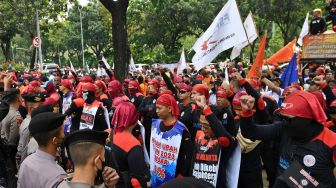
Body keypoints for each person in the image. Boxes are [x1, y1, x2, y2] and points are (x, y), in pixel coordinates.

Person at [239, 91, 336, 187]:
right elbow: (251, 132)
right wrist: (246, 112)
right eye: (282, 117)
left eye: (288, 119)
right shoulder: (283, 129)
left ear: (307, 119)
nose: (284, 122)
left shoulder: (331, 142)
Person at [190, 95, 235, 187]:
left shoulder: (225, 141)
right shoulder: (199, 136)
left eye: (206, 126)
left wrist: (206, 109)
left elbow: (224, 135)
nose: (203, 129)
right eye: (201, 125)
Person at [150, 94, 192, 187]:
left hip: (175, 176)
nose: (156, 111)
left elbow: (189, 155)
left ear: (169, 109)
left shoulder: (181, 130)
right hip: (157, 174)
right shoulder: (155, 125)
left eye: (159, 108)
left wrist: (183, 174)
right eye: (156, 108)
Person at [17, 112, 67, 188]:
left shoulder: (26, 162)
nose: (64, 135)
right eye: (63, 131)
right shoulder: (58, 176)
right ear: (54, 140)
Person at [109, 102, 150, 188]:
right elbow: (138, 180)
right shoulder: (133, 145)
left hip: (110, 183)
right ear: (134, 119)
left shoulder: (109, 133)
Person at [16, 93, 44, 165]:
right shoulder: (29, 125)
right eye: (39, 107)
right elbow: (24, 150)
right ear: (31, 108)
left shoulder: (28, 121)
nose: (42, 109)